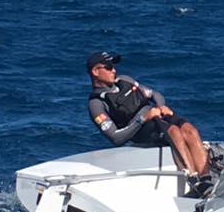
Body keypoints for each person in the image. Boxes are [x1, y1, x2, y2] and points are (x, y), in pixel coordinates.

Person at [86, 51, 213, 197]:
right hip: (141, 129)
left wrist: (160, 106)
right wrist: (143, 119)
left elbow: (154, 94)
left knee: (189, 130)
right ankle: (194, 182)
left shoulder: (125, 80)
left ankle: (206, 179)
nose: (114, 70)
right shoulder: (96, 104)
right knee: (174, 132)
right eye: (108, 67)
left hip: (157, 116)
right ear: (96, 71)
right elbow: (116, 138)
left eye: (114, 66)